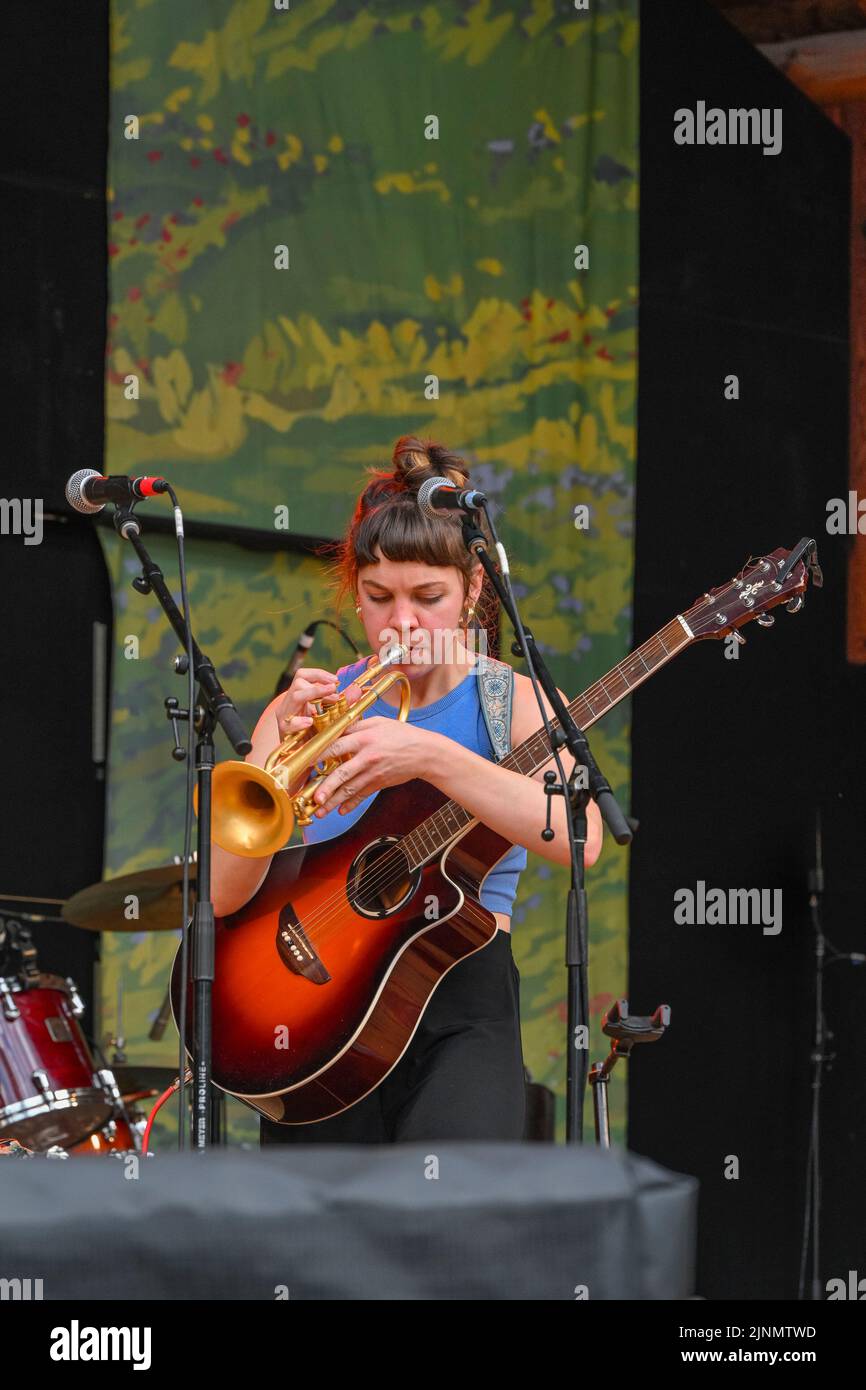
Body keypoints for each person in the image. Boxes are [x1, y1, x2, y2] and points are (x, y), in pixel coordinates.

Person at [211, 435, 603, 1144]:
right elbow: (223, 895)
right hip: (317, 1005)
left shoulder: (514, 703)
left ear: (474, 592)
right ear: (353, 592)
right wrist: (277, 758)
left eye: (428, 597)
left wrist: (426, 755)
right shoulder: (310, 708)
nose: (402, 623)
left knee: (450, 1224)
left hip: (461, 996)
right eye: (378, 597)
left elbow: (579, 839)